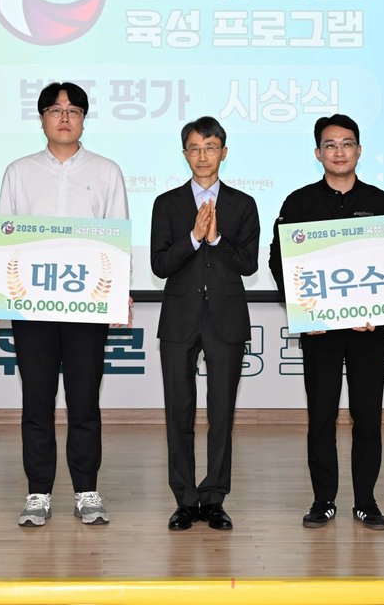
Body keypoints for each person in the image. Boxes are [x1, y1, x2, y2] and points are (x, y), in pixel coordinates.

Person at [0, 81, 128, 527]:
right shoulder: (19, 172)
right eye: (55, 109)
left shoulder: (107, 171)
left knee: (84, 401)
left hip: (87, 308)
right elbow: (6, 235)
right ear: (42, 118)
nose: (64, 117)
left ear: (84, 118)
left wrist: (119, 292)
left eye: (73, 110)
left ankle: (86, 490)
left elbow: (117, 238)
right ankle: (38, 492)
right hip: (33, 308)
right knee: (37, 402)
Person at [268, 114, 384, 531]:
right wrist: (303, 310)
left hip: (368, 331)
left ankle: (366, 501)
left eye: (346, 144)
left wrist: (380, 311)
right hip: (320, 330)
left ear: (359, 150)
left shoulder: (382, 203)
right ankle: (323, 499)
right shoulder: (299, 203)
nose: (338, 152)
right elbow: (279, 260)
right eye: (330, 144)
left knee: (368, 417)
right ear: (317, 152)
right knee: (321, 417)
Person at [150, 116, 259, 531]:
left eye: (210, 147)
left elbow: (248, 264)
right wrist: (194, 238)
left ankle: (214, 498)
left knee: (221, 414)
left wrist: (215, 240)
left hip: (226, 319)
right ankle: (184, 499)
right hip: (179, 319)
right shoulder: (167, 204)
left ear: (223, 153)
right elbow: (160, 265)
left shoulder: (243, 204)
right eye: (194, 148)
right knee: (178, 411)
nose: (202, 156)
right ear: (184, 154)